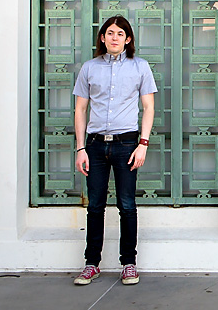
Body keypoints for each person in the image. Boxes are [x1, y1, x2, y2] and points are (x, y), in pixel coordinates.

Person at [72, 15, 157, 286]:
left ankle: (128, 263)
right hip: (95, 146)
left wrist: (142, 144)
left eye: (120, 33)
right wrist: (80, 148)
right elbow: (80, 109)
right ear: (102, 37)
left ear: (128, 39)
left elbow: (149, 108)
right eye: (110, 33)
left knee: (127, 205)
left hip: (127, 144)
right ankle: (91, 264)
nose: (115, 37)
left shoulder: (140, 67)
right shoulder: (89, 68)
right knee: (95, 206)